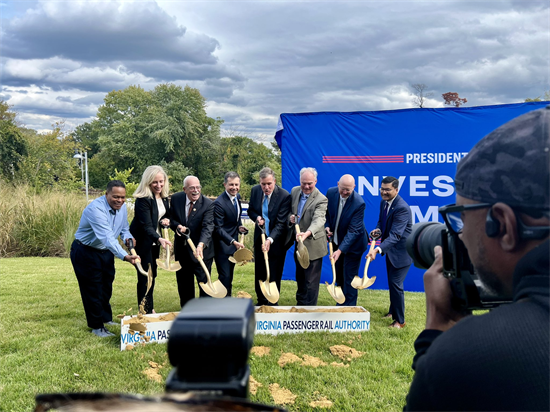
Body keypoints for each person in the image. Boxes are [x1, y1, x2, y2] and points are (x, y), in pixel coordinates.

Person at [404, 106, 550, 411]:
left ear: (505, 225)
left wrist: (438, 334)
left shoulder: (476, 362)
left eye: (462, 219)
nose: (460, 237)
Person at [70, 180, 140, 337]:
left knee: (106, 286)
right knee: (93, 288)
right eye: (115, 197)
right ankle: (97, 327)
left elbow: (123, 229)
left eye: (122, 197)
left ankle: (106, 318)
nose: (120, 200)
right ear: (106, 194)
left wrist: (128, 238)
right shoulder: (95, 209)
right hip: (86, 251)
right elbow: (107, 238)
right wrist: (125, 256)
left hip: (105, 253)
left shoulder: (121, 208)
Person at [366, 176, 412, 328]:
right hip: (391, 251)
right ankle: (392, 311)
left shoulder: (402, 208)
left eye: (388, 189)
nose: (384, 192)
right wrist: (378, 230)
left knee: (396, 284)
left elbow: (395, 235)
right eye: (382, 189)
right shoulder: (383, 202)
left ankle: (400, 321)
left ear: (396, 190)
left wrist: (378, 249)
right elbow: (382, 221)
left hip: (402, 253)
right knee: (393, 283)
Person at [129, 166, 172, 314]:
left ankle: (149, 307)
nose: (159, 185)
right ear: (147, 182)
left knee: (153, 274)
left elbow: (163, 217)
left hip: (155, 242)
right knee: (145, 276)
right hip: (143, 242)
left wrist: (166, 221)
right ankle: (145, 310)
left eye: (161, 181)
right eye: (155, 182)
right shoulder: (143, 200)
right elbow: (147, 226)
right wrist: (159, 238)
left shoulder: (164, 198)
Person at [247, 167, 291, 306]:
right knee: (260, 270)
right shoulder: (255, 191)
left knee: (274, 271)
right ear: (259, 183)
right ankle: (261, 301)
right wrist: (257, 217)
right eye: (263, 184)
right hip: (259, 238)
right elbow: (250, 210)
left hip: (276, 240)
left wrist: (270, 239)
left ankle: (273, 301)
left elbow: (281, 223)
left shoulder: (284, 196)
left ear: (274, 181)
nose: (266, 187)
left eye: (269, 184)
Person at [170, 175, 215, 307]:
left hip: (202, 252)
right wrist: (177, 227)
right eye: (192, 188)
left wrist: (201, 245)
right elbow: (172, 219)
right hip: (182, 252)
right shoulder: (176, 199)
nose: (196, 191)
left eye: (198, 187)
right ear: (184, 189)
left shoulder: (208, 204)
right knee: (184, 285)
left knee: (204, 285)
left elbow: (208, 227)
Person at [325, 174, 368, 306]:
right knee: (339, 276)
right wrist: (326, 227)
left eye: (348, 190)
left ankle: (350, 310)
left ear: (354, 187)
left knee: (350, 278)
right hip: (338, 242)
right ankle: (340, 305)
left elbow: (353, 231)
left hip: (354, 246)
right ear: (338, 184)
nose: (344, 192)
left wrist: (340, 251)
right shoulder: (331, 193)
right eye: (342, 188)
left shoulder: (359, 203)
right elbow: (326, 214)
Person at [289, 167, 328, 306]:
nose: (306, 186)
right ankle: (300, 305)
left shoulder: (321, 199)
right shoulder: (294, 191)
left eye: (310, 183)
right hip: (299, 243)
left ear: (315, 181)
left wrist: (307, 233)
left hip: (313, 245)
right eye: (303, 183)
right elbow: (290, 211)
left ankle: (310, 310)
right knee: (300, 277)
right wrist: (291, 218)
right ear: (300, 181)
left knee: (311, 281)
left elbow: (319, 220)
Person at [213, 171, 246, 297]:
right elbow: (218, 228)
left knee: (230, 277)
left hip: (233, 245)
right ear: (225, 185)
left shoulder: (237, 197)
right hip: (222, 246)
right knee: (224, 277)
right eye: (231, 185)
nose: (234, 187)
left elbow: (235, 219)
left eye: (236, 185)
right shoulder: (219, 203)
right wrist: (233, 241)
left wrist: (240, 226)